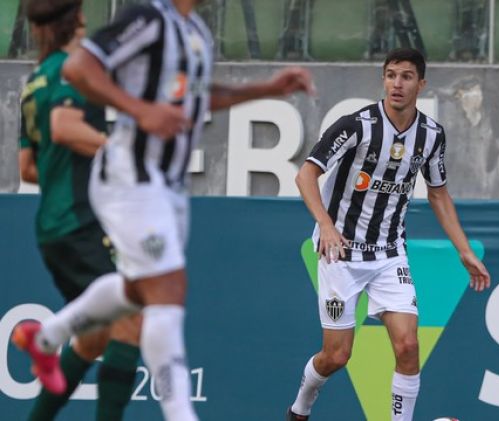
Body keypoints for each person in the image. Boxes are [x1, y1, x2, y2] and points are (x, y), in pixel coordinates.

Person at [12, 0, 315, 420]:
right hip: (128, 177)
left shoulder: (197, 34)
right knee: (167, 290)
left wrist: (265, 89)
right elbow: (79, 69)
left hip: (165, 186)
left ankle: (48, 336)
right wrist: (140, 111)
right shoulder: (148, 17)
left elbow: (199, 96)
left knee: (136, 291)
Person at [286, 48, 491, 421]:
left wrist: (463, 249)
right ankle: (300, 406)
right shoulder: (356, 125)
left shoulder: (431, 136)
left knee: (408, 344)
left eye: (407, 76)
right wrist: (327, 226)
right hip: (340, 253)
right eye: (391, 75)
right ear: (383, 79)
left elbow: (438, 192)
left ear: (421, 84)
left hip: (388, 255)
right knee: (337, 356)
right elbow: (306, 175)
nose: (397, 83)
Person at [15, 1, 142, 419]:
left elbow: (29, 168)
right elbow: (64, 129)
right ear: (74, 24)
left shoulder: (36, 82)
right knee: (131, 317)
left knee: (94, 338)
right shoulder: (71, 69)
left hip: (54, 225)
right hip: (79, 221)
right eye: (85, 24)